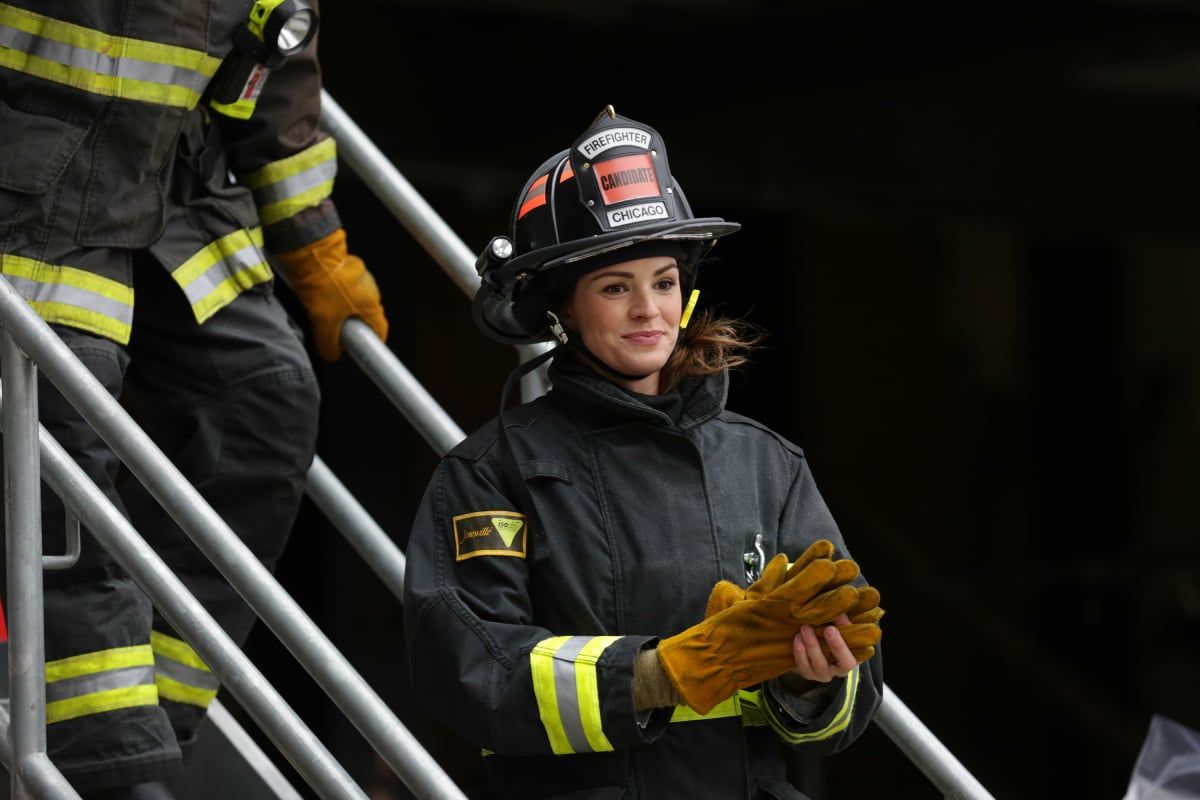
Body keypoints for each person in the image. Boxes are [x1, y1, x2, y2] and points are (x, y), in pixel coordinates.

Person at [403, 105, 884, 799]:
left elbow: (848, 705)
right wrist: (657, 674)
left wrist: (807, 680)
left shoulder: (766, 467)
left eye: (663, 281)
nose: (648, 310)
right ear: (563, 308)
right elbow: (468, 667)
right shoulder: (493, 474)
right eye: (615, 287)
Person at [0, 1, 387, 797]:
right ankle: (111, 767)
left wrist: (314, 241)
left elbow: (272, 71)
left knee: (263, 403)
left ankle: (145, 726)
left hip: (165, 182)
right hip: (25, 187)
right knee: (61, 451)